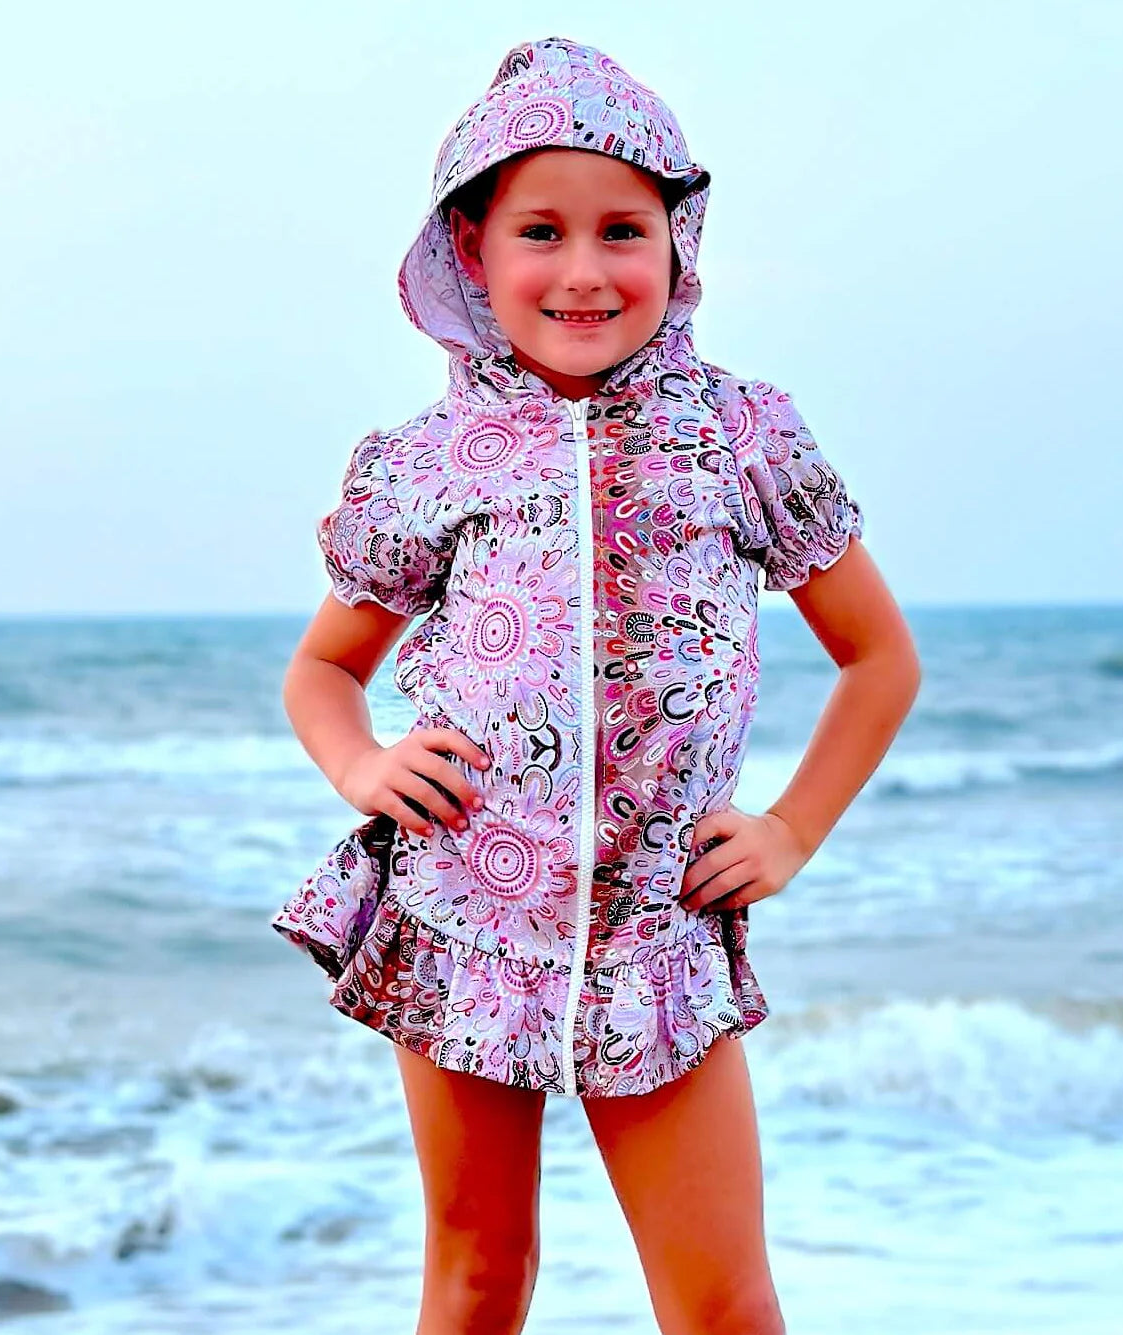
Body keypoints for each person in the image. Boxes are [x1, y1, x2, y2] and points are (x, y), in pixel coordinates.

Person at [271, 34, 920, 1335]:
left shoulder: (738, 435)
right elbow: (324, 669)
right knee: (475, 1279)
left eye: (623, 230)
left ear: (679, 243)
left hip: (655, 935)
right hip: (464, 917)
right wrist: (362, 764)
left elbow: (879, 660)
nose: (583, 271)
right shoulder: (432, 458)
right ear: (472, 250)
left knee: (724, 1304)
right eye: (541, 233)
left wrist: (791, 830)